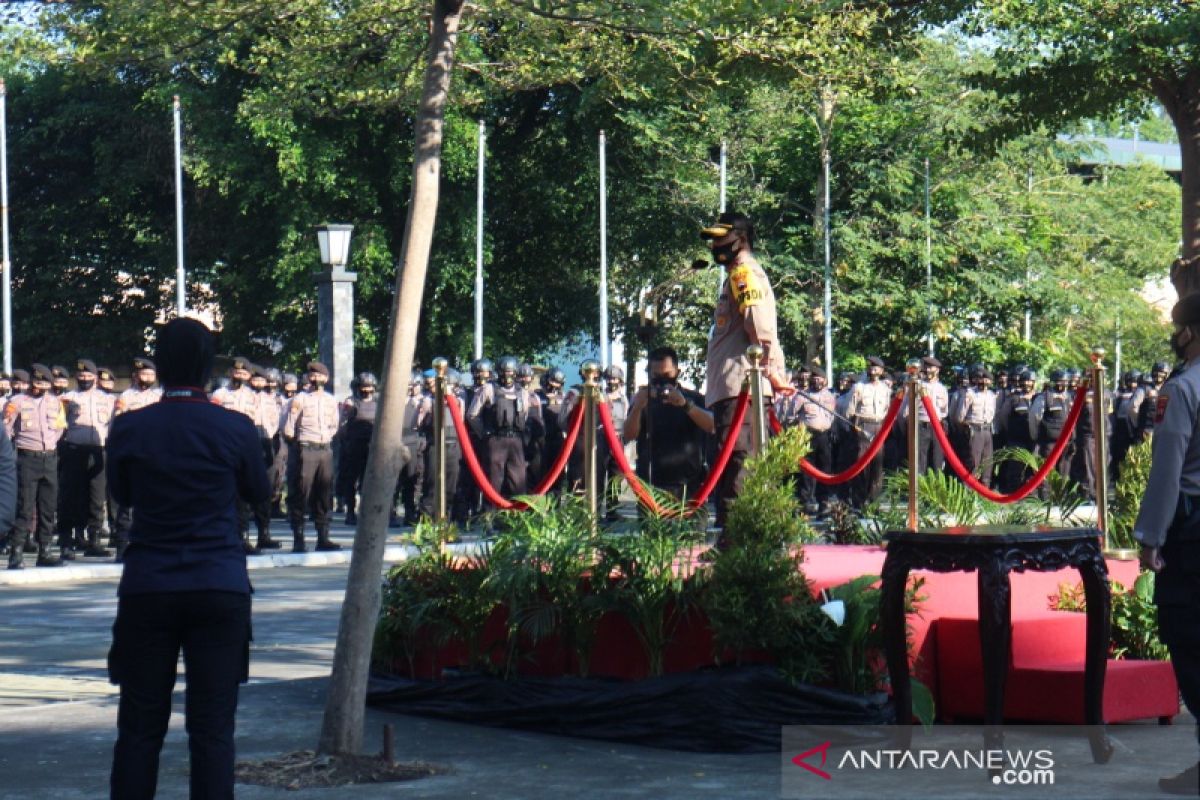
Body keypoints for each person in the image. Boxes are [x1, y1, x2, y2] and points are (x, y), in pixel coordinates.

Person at [106, 317, 270, 800]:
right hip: (218, 581)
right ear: (206, 368)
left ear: (158, 366)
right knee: (213, 730)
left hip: (149, 583)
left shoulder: (131, 426)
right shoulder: (235, 427)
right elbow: (260, 493)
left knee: (139, 729)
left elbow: (123, 494)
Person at [1133, 292, 1200, 794]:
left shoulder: (1181, 390)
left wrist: (1150, 538)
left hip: (1192, 535)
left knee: (1191, 643)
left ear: (1189, 332)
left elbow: (1167, 471)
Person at [700, 211, 790, 529]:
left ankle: (738, 543)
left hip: (742, 388)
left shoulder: (743, 274)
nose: (715, 245)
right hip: (733, 388)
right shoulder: (736, 275)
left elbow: (759, 325)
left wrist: (771, 369)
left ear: (740, 238)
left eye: (721, 238)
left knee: (740, 464)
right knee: (732, 464)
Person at [623, 346, 714, 507]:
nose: (661, 381)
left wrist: (685, 405)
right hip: (651, 485)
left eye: (667, 375)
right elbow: (629, 435)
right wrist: (638, 407)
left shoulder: (694, 398)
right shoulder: (642, 401)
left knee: (691, 532)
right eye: (656, 376)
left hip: (689, 486)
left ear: (677, 373)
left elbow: (711, 425)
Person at [5, 364, 67, 568]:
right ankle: (16, 552)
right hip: (27, 459)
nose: (38, 386)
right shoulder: (17, 402)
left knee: (48, 508)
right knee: (24, 507)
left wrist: (48, 445)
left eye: (43, 383)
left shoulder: (55, 403)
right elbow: (6, 430)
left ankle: (45, 551)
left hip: (49, 458)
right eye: (36, 382)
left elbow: (59, 428)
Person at [281, 361, 341, 553]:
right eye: (313, 376)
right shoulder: (299, 399)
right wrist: (299, 445)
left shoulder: (331, 400)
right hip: (305, 449)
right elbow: (288, 428)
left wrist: (325, 438)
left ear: (327, 378)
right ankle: (299, 538)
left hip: (324, 449)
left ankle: (323, 537)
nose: (316, 379)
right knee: (300, 492)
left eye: (320, 376)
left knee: (324, 493)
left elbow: (334, 425)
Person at [60, 359, 116, 558]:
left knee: (96, 498)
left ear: (95, 378)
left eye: (88, 376)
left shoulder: (108, 399)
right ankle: (68, 540)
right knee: (72, 497)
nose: (84, 379)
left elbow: (113, 424)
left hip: (99, 451)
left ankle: (94, 540)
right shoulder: (67, 399)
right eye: (81, 375)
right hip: (74, 450)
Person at [847, 357, 891, 507]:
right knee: (861, 464)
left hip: (879, 426)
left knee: (877, 465)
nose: (873, 369)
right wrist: (855, 428)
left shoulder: (885, 389)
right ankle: (859, 501)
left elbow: (887, 409)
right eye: (871, 367)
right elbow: (850, 411)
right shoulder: (859, 387)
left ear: (882, 371)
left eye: (877, 367)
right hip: (863, 425)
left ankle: (874, 501)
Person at [337, 371, 377, 526]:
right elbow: (342, 426)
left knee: (369, 481)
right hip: (353, 446)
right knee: (350, 481)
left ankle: (367, 511)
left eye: (369, 387)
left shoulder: (378, 403)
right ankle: (350, 511)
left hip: (371, 447)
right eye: (363, 387)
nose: (366, 390)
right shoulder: (351, 402)